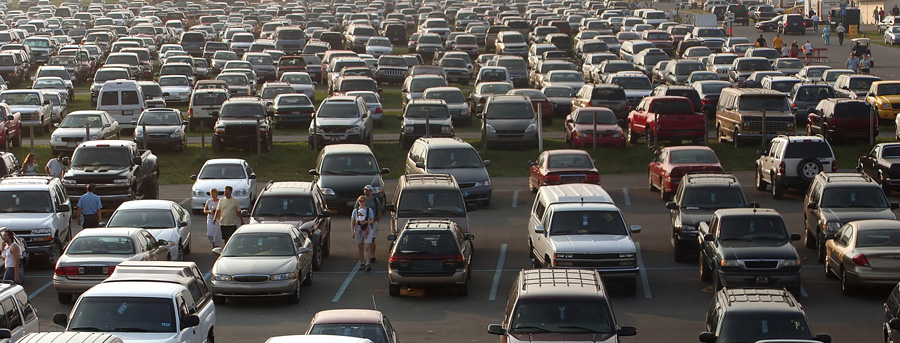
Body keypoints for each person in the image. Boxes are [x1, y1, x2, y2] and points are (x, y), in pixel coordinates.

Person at [354, 185, 383, 262]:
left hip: (373, 222)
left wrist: (377, 221)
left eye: (367, 190)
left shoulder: (375, 200)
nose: (365, 191)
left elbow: (379, 211)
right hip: (361, 223)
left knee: (372, 239)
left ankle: (372, 255)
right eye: (365, 190)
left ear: (371, 191)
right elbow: (356, 210)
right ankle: (365, 255)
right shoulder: (360, 199)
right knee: (362, 239)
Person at [351, 195, 374, 271]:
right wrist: (352, 232)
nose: (362, 202)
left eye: (363, 201)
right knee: (360, 247)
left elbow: (372, 220)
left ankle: (367, 263)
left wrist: (367, 222)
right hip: (358, 230)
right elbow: (352, 222)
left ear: (365, 202)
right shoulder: (355, 211)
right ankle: (362, 262)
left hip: (367, 229)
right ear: (358, 202)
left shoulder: (369, 210)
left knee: (367, 247)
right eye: (360, 201)